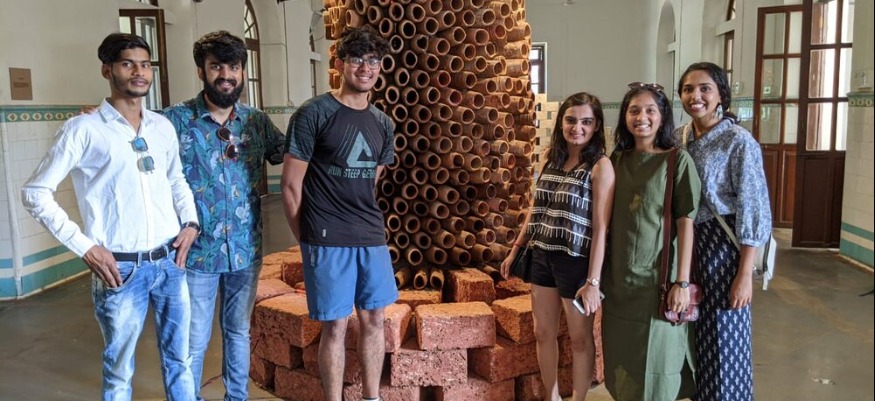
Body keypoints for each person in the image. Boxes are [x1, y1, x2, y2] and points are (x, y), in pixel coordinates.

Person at [21, 33, 198, 401]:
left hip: (170, 262)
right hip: (120, 269)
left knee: (180, 360)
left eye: (145, 65)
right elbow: (35, 192)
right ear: (107, 70)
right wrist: (85, 247)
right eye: (128, 64)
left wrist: (191, 222)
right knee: (119, 372)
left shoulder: (161, 127)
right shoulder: (84, 129)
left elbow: (176, 179)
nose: (139, 72)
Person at [160, 31, 285, 401]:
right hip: (196, 253)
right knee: (193, 338)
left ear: (243, 71)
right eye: (216, 66)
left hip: (245, 250)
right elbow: (131, 143)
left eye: (233, 67)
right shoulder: (173, 121)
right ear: (201, 71)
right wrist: (100, 119)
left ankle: (236, 397)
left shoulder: (256, 121)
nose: (226, 75)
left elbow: (292, 153)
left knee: (238, 332)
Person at [280, 25, 397, 401]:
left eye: (373, 60)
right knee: (334, 325)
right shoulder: (314, 114)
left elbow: (370, 181)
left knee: (375, 319)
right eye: (357, 59)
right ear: (340, 63)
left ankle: (372, 397)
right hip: (327, 238)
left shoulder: (383, 124)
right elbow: (290, 186)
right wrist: (308, 238)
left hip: (370, 236)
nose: (366, 67)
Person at [500, 92, 615, 401]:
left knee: (580, 338)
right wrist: (516, 249)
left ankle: (578, 398)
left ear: (596, 126)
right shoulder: (552, 157)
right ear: (561, 122)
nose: (577, 128)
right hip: (542, 254)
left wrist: (593, 281)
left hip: (576, 260)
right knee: (543, 333)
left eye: (586, 122)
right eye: (571, 120)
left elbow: (601, 228)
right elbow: (536, 208)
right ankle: (551, 397)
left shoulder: (600, 166)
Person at [677, 62, 772, 401]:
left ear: (721, 95)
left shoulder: (738, 142)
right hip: (687, 246)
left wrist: (744, 274)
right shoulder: (680, 137)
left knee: (724, 333)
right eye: (688, 89)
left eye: (705, 89)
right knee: (692, 332)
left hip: (724, 249)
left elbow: (753, 207)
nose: (696, 96)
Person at [601, 82, 701, 401]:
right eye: (634, 110)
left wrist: (682, 283)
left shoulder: (676, 161)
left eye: (650, 110)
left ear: (662, 117)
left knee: (658, 360)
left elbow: (686, 224)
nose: (641, 117)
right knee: (622, 356)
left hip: (657, 283)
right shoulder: (617, 160)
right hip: (619, 282)